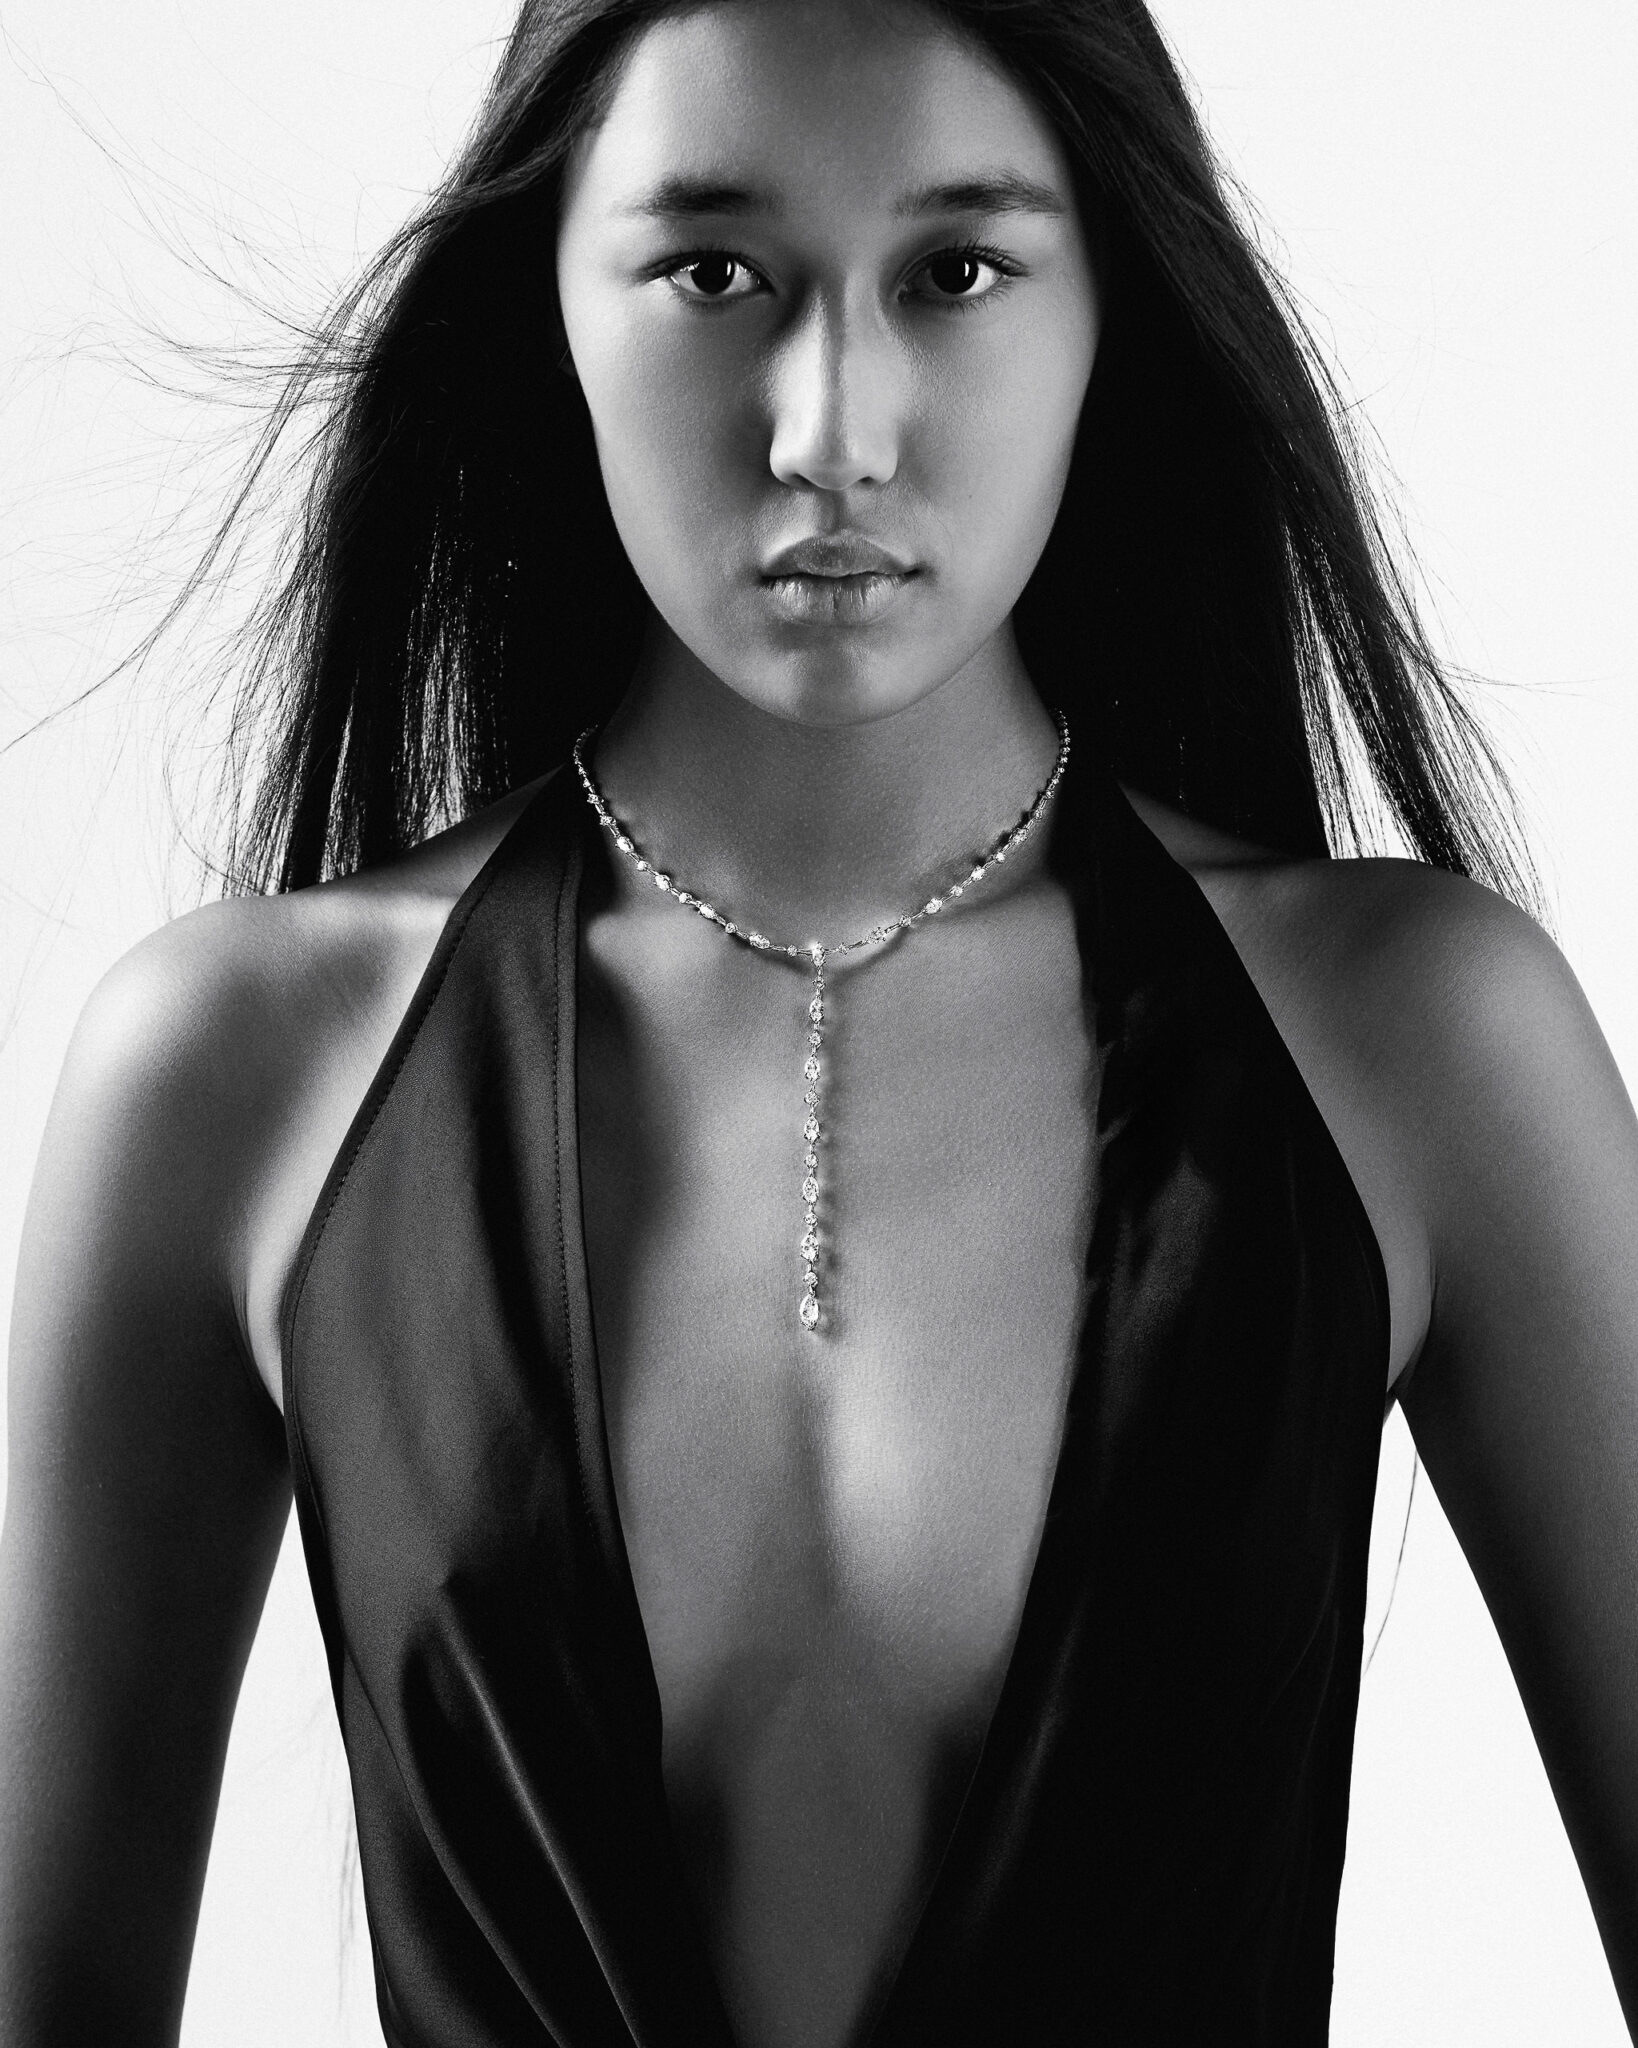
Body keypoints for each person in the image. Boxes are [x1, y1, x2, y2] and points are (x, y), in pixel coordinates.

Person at [1, 0, 1635, 2041]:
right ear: (546, 303)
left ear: (1110, 307)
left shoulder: (1413, 1041)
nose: (832, 431)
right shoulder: (243, 1071)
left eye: (955, 270)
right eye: (714, 271)